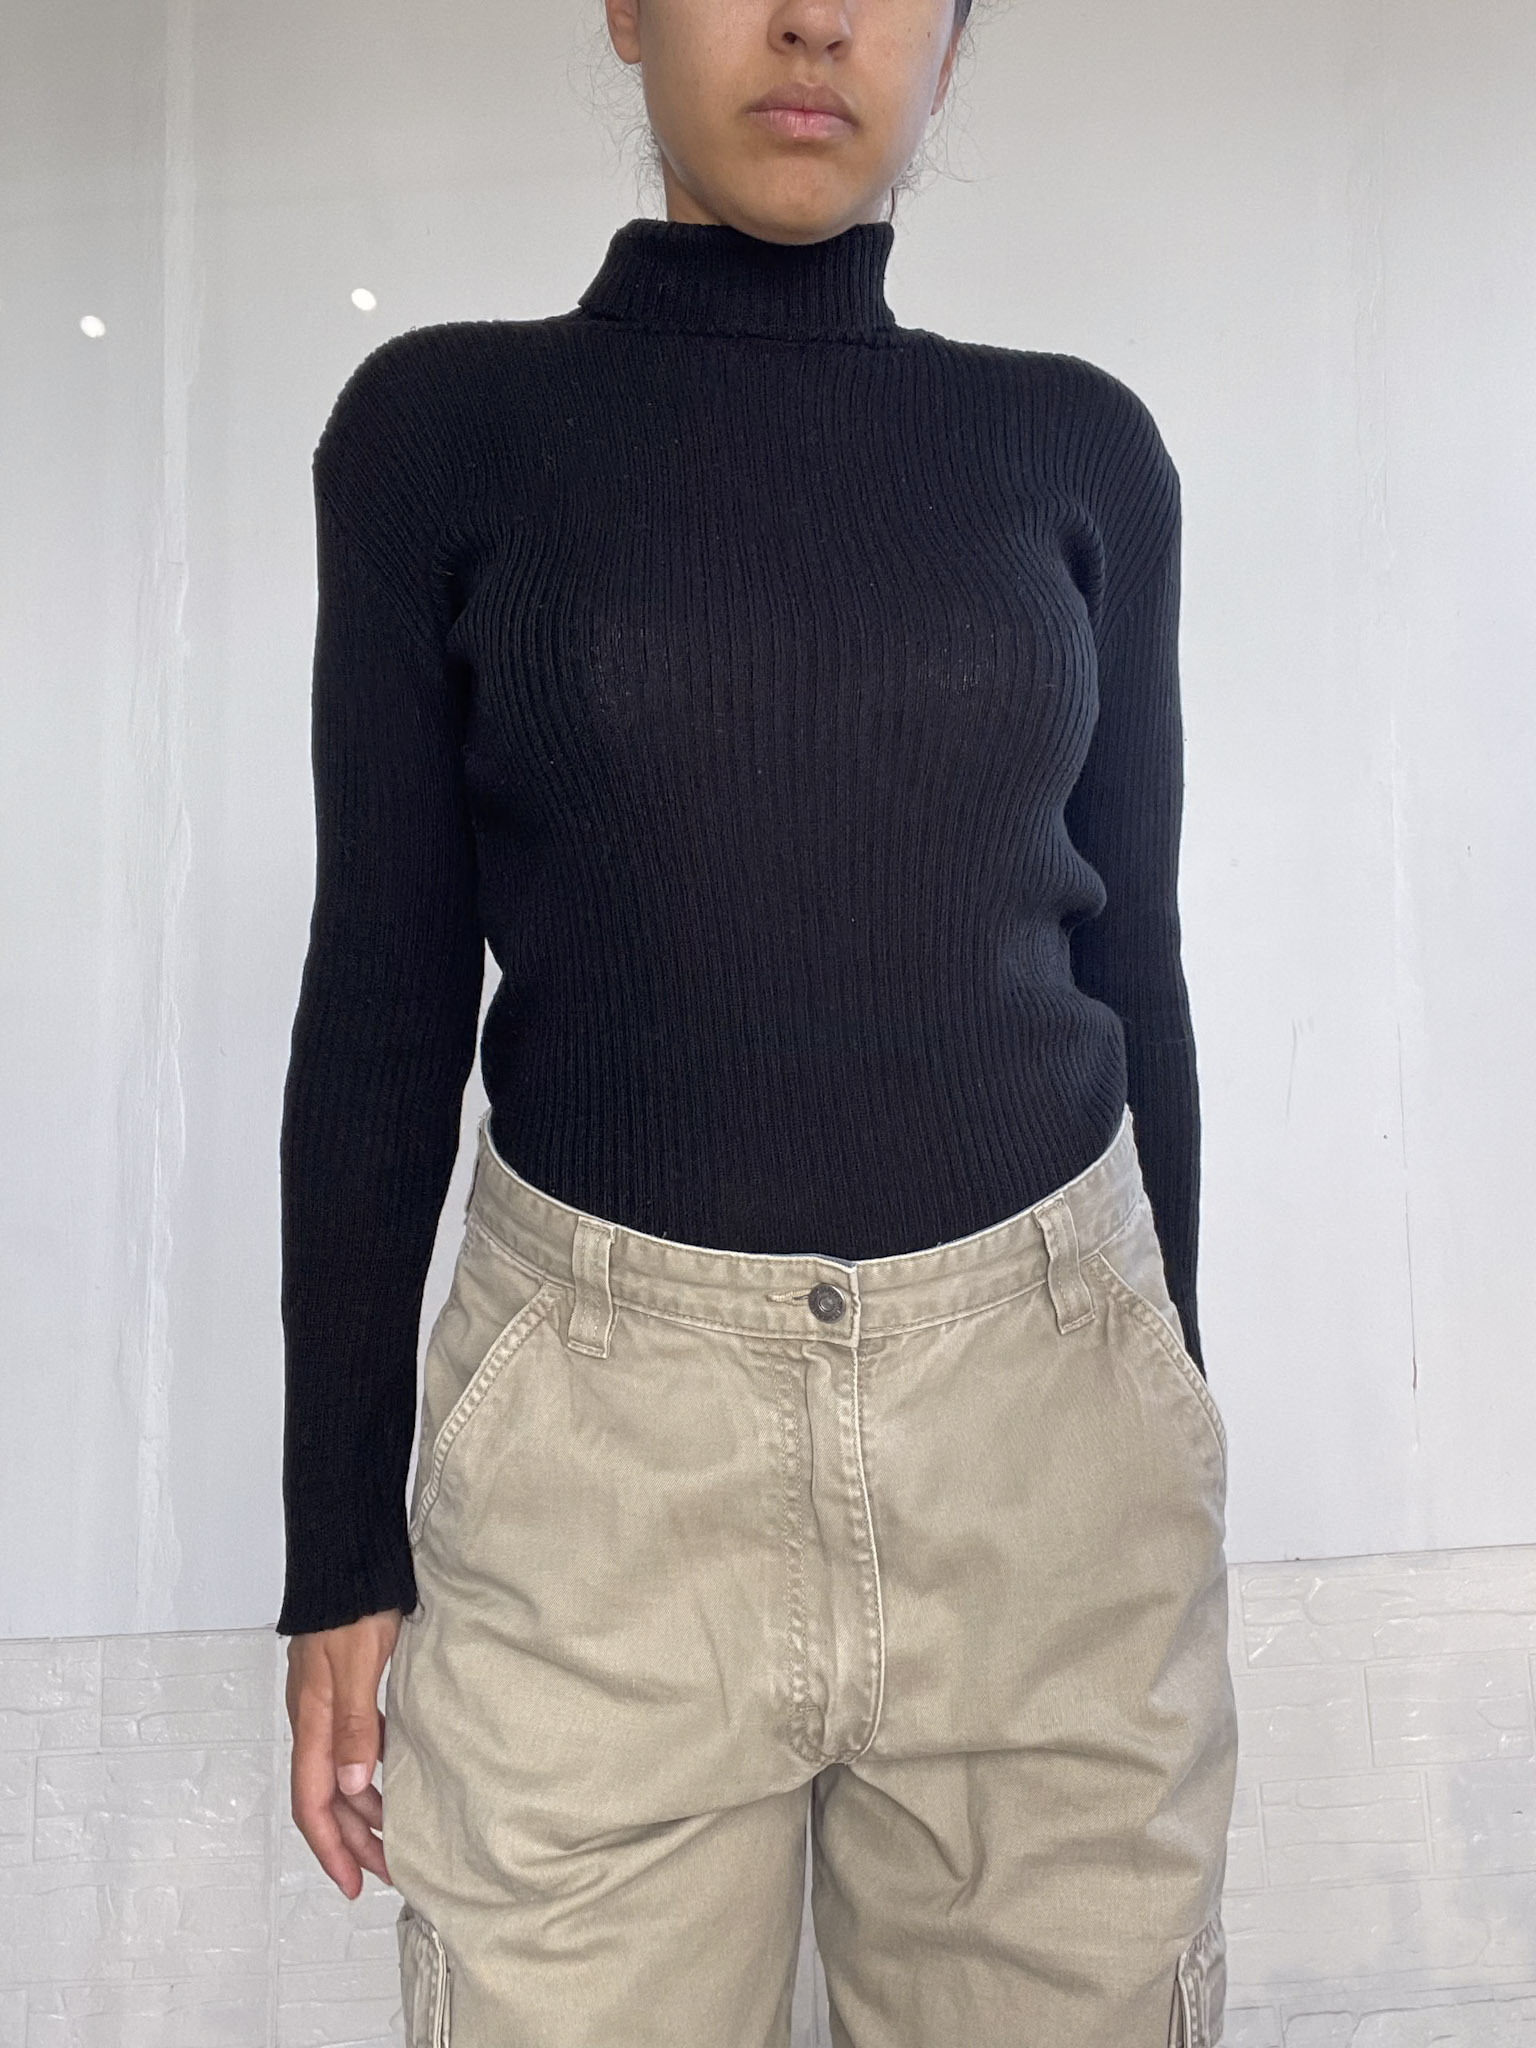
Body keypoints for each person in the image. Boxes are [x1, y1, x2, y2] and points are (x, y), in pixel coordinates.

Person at [278, 0, 1240, 2040]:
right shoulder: (442, 431)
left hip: (1049, 1452)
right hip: (595, 1472)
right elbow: (383, 988)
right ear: (625, 8)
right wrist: (337, 1538)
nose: (815, 20)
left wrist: (1168, 1396)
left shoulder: (1079, 450)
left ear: (955, 40)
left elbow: (1131, 958)